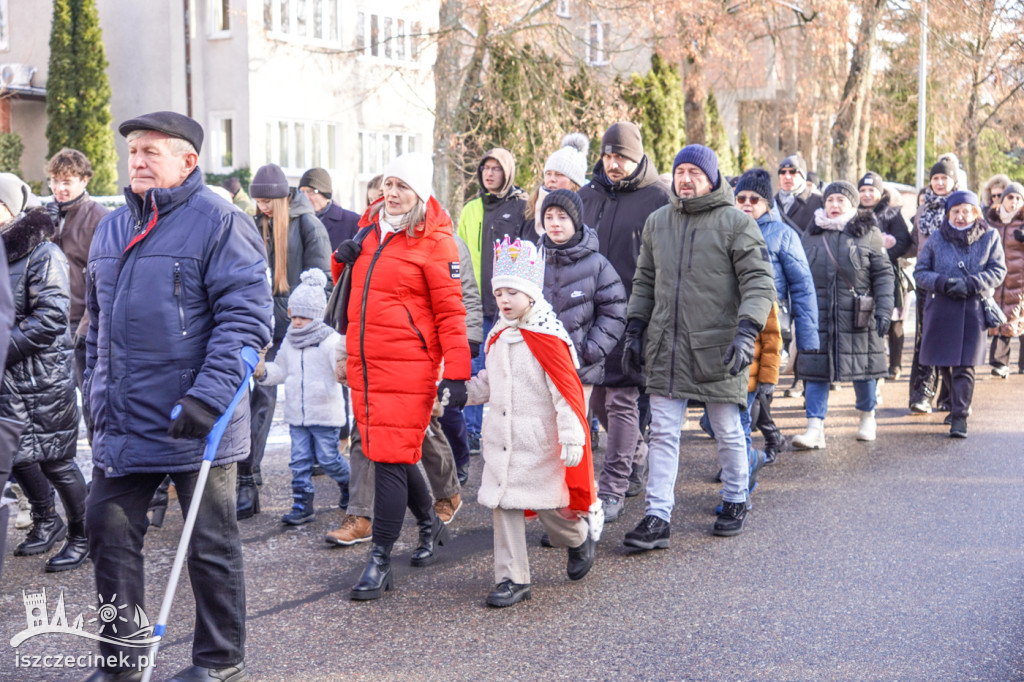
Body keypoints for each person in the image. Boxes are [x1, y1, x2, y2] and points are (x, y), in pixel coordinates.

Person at [83, 111, 272, 681]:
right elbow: (95, 328)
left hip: (197, 419)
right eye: (133, 151)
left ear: (189, 161)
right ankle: (121, 662)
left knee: (210, 544)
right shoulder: (112, 226)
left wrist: (207, 399)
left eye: (151, 152)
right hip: (125, 420)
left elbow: (246, 320)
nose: (137, 161)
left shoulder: (219, 221)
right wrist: (94, 397)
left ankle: (219, 660)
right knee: (108, 532)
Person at [623, 144, 775, 545]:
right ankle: (657, 516)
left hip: (719, 347)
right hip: (666, 348)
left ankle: (736, 497)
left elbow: (759, 283)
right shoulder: (658, 222)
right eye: (680, 171)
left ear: (711, 178)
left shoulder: (737, 223)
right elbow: (644, 282)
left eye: (694, 171)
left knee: (727, 430)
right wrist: (635, 327)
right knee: (663, 433)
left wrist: (746, 333)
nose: (685, 178)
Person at [340, 152, 471, 600]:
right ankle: (431, 525)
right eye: (389, 185)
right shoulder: (370, 230)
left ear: (420, 193)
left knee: (391, 458)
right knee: (386, 452)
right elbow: (355, 292)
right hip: (367, 364)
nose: (392, 194)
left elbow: (452, 313)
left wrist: (456, 373)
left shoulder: (435, 241)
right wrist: (344, 260)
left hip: (410, 366)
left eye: (403, 187)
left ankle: (379, 559)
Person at [466, 237, 597, 607]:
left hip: (537, 442)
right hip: (501, 439)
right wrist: (463, 393)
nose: (504, 300)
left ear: (531, 294)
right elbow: (489, 384)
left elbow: (565, 393)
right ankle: (513, 579)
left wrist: (572, 437)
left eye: (512, 292)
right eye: (500, 292)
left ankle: (576, 536)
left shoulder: (548, 339)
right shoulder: (497, 336)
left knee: (549, 506)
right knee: (503, 504)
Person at [578, 121, 671, 521]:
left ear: (637, 158)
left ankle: (613, 487)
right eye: (609, 155)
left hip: (634, 314)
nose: (613, 164)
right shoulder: (586, 195)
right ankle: (636, 451)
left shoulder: (658, 198)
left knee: (621, 399)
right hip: (586, 314)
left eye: (622, 157)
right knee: (596, 398)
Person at [1, 173, 88, 573]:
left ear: (11, 208)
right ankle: (46, 520)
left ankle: (84, 535)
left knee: (57, 460)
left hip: (41, 378)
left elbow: (52, 317)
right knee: (15, 456)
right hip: (8, 378)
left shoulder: (42, 253)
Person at [238, 163, 331, 519]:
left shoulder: (308, 224)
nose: (261, 206)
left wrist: (300, 319)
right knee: (244, 396)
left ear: (281, 198)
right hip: (254, 323)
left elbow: (321, 280)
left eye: (266, 201)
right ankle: (245, 474)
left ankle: (256, 478)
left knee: (274, 399)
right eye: (257, 200)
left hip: (292, 329)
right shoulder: (250, 223)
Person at [790, 181, 894, 449]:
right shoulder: (810, 234)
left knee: (864, 369)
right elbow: (798, 275)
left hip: (858, 314)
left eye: (841, 201)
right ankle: (814, 428)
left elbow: (883, 274)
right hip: (819, 314)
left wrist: (884, 309)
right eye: (830, 200)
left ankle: (867, 418)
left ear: (852, 204)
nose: (834, 206)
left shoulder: (868, 232)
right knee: (814, 371)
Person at [733, 169, 818, 463]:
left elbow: (803, 288)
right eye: (740, 198)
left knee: (752, 397)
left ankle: (742, 464)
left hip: (773, 327)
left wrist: (808, 338)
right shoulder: (726, 230)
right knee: (735, 402)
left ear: (768, 204)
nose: (746, 203)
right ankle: (756, 448)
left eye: (754, 199)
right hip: (733, 327)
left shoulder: (783, 235)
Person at [255, 268, 350, 525]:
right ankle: (302, 503)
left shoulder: (331, 341)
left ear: (317, 316)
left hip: (325, 413)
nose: (297, 322)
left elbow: (343, 371)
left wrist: (345, 372)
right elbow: (282, 371)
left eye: (304, 317)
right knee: (299, 461)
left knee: (329, 460)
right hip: (297, 414)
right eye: (294, 315)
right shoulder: (289, 340)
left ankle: (349, 483)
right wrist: (263, 372)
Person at [915, 190, 1006, 437]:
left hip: (973, 307)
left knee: (965, 365)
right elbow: (920, 273)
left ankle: (960, 417)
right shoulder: (936, 238)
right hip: (942, 307)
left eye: (966, 210)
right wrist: (943, 282)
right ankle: (956, 403)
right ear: (948, 214)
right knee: (944, 362)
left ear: (976, 213)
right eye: (955, 211)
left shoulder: (990, 237)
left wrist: (972, 283)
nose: (961, 216)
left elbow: (999, 270)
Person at [458, 148, 529, 455]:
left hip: (509, 306)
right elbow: (458, 254)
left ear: (508, 172)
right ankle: (471, 431)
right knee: (473, 368)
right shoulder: (471, 209)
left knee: (510, 367)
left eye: (496, 169)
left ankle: (511, 429)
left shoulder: (521, 207)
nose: (489, 174)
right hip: (475, 302)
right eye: (485, 168)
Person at [541, 188, 626, 419]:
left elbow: (615, 312)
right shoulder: (534, 260)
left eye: (562, 217)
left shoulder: (597, 265)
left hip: (579, 370)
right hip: (538, 370)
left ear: (576, 220)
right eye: (549, 217)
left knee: (574, 437)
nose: (555, 223)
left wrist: (589, 350)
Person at [45, 149, 109, 442]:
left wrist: (86, 325)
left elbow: (103, 279)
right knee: (51, 405)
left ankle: (101, 470)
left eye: (67, 180)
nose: (60, 188)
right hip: (46, 322)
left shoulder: (100, 218)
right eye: (55, 181)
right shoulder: (44, 215)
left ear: (84, 180)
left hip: (83, 325)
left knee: (94, 403)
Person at [909, 154, 960, 414]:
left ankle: (950, 396)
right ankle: (922, 394)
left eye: (945, 177)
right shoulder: (922, 208)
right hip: (926, 281)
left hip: (953, 283)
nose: (939, 182)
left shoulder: (962, 207)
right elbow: (913, 242)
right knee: (924, 337)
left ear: (954, 180)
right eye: (935, 178)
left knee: (951, 339)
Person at [858, 172, 913, 380]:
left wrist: (881, 257)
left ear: (880, 193)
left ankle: (895, 364)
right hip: (863, 275)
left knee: (894, 321)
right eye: (863, 190)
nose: (867, 194)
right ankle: (873, 363)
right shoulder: (854, 213)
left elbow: (903, 241)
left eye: (871, 190)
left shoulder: (891, 214)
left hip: (891, 274)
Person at [983, 182, 1024, 377]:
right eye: (1010, 197)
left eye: (1018, 198)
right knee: (1001, 317)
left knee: (1020, 319)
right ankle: (1000, 362)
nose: (1014, 202)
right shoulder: (993, 221)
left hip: (1020, 281)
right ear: (1002, 199)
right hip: (998, 279)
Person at [525, 133, 589, 235]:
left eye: (559, 175)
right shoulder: (530, 210)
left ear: (574, 182)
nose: (552, 179)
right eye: (548, 174)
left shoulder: (588, 209)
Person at [299, 167, 360, 251]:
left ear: (325, 193)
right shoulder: (296, 220)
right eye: (302, 191)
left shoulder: (352, 221)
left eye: (311, 191)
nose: (305, 197)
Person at [775, 154, 823, 234]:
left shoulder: (819, 202)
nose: (787, 176)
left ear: (803, 176)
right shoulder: (770, 204)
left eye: (792, 172)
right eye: (782, 172)